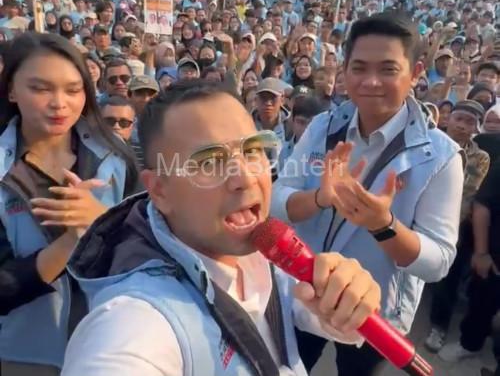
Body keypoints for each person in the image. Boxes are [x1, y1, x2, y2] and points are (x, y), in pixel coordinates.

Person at [61, 80, 382, 376]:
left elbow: (305, 308)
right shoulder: (132, 322)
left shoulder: (258, 251)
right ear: (160, 190)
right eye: (209, 162)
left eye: (253, 151)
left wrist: (346, 302)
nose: (245, 177)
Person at [271, 12, 463, 376]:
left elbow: (438, 261)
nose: (371, 82)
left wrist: (383, 226)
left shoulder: (440, 156)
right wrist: (319, 200)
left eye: (388, 69)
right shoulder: (322, 127)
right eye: (359, 67)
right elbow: (277, 198)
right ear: (344, 70)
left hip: (372, 315)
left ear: (416, 71)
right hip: (303, 293)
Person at [0, 33, 139, 375]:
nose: (59, 103)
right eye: (41, 88)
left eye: (73, 90)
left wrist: (104, 223)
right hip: (24, 356)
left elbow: (144, 249)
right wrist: (74, 240)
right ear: (11, 90)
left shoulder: (114, 158)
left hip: (111, 345)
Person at [425, 100, 490, 353]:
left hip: (452, 223)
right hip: (417, 212)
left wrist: (442, 223)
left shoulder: (479, 157)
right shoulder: (428, 142)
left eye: (470, 122)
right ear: (448, 118)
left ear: (476, 128)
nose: (462, 126)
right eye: (459, 119)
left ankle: (438, 327)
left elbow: (468, 194)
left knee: (446, 279)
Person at [439, 160, 500, 364]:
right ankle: (470, 345)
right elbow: (482, 206)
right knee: (481, 305)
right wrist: (481, 253)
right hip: (493, 261)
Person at [279, 95, 322, 170]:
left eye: (311, 123)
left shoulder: (325, 154)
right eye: (301, 122)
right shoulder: (281, 151)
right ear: (292, 121)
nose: (306, 128)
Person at [252, 78, 290, 145]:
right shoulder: (246, 124)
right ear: (256, 100)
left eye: (273, 98)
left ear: (282, 100)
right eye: (263, 97)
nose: (268, 103)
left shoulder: (291, 125)